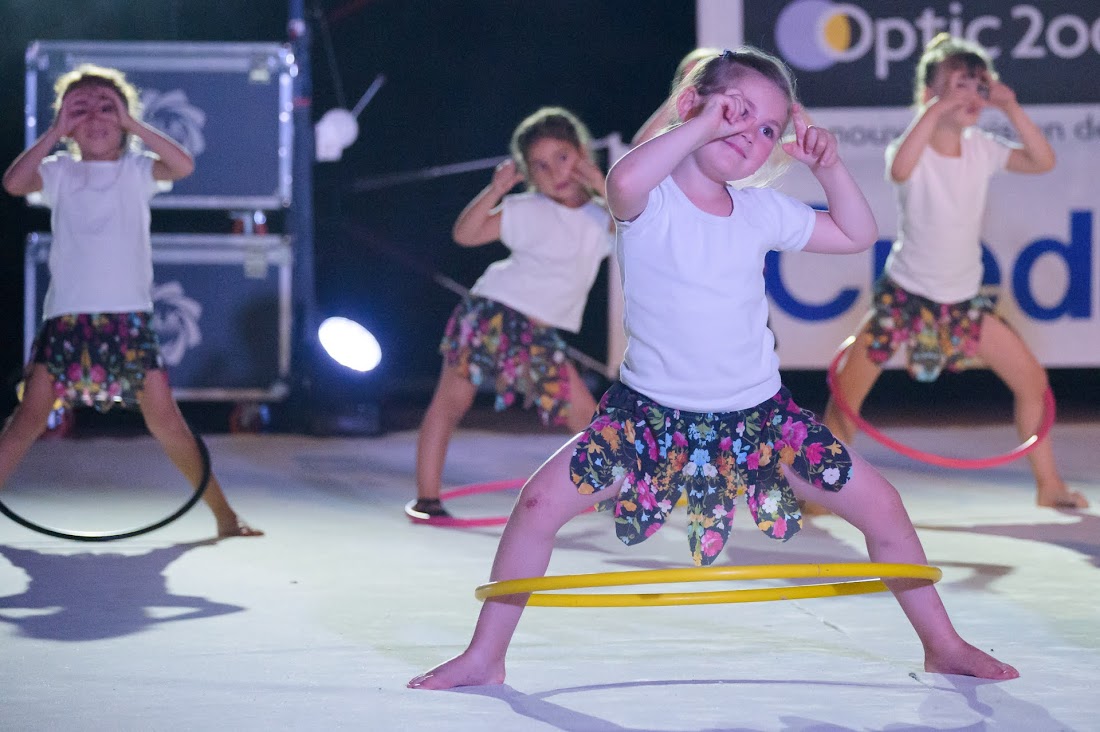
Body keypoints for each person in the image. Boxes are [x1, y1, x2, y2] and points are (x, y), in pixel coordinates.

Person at [408, 48, 1019, 690]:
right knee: (536, 504)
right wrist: (700, 121)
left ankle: (942, 643)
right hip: (648, 420)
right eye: (736, 112)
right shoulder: (651, 204)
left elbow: (857, 233)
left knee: (883, 505)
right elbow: (622, 181)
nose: (748, 135)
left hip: (760, 421)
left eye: (765, 129)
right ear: (692, 107)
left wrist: (830, 166)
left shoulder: (759, 211)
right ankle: (485, 656)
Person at [820, 34, 1088, 511]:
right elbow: (901, 169)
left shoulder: (982, 147)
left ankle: (1049, 486)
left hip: (963, 302)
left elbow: (1043, 161)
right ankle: (820, 492)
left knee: (1032, 382)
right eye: (958, 86)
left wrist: (1010, 107)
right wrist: (934, 110)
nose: (971, 96)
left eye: (979, 86)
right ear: (930, 95)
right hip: (904, 298)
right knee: (846, 394)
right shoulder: (913, 149)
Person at [1, 64, 262, 538]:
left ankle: (224, 514)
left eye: (107, 107)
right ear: (67, 122)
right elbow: (14, 183)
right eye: (81, 109)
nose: (95, 117)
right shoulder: (59, 172)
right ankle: (224, 514)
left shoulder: (137, 170)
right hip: (67, 320)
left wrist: (134, 125)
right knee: (26, 422)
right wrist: (56, 132)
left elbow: (183, 165)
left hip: (127, 321)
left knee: (166, 421)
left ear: (123, 116)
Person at [410, 107, 613, 519]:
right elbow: (465, 235)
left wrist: (601, 186)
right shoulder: (525, 208)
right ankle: (427, 497)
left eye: (562, 156)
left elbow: (638, 222)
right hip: (492, 315)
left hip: (535, 332)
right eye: (539, 164)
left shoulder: (600, 216)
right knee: (451, 402)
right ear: (526, 172)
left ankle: (608, 492)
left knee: (587, 417)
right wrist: (495, 190)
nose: (553, 171)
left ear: (581, 152)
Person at [632, 47, 721, 146]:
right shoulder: (680, 125)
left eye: (695, 76)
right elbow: (641, 146)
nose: (688, 84)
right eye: (685, 77)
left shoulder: (721, 119)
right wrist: (677, 96)